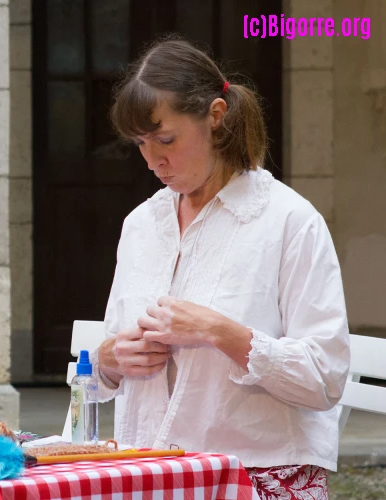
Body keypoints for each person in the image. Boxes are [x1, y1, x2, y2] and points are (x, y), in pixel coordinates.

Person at [95, 37, 349, 498]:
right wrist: (110, 360)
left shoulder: (289, 221)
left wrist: (222, 333)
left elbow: (326, 377)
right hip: (145, 476)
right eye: (140, 144)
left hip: (260, 477)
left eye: (166, 139)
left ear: (215, 115)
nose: (153, 160)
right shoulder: (141, 225)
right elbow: (100, 368)